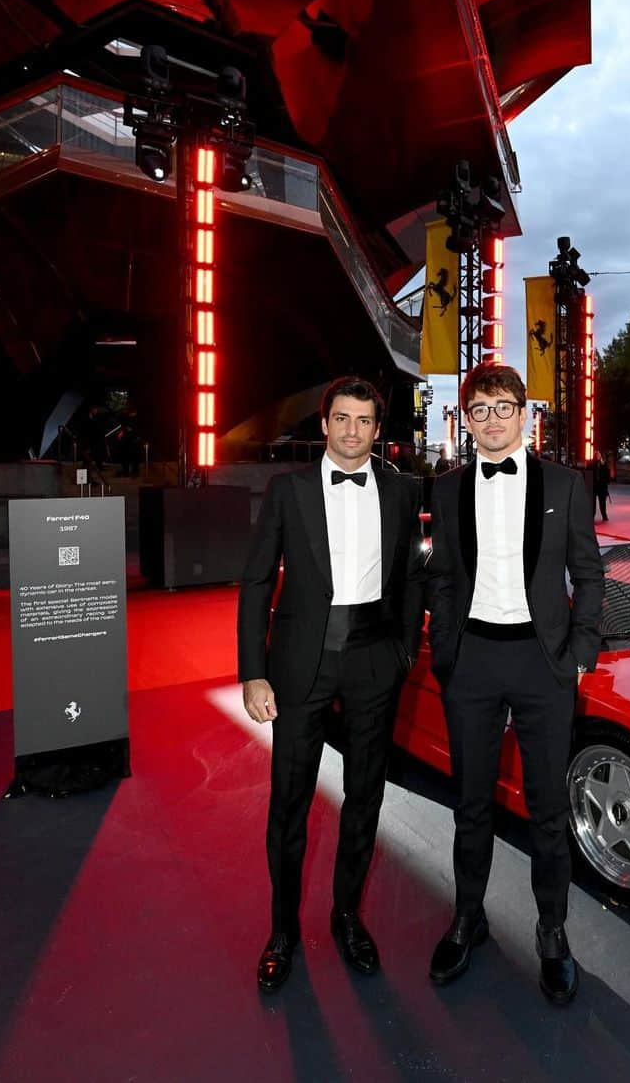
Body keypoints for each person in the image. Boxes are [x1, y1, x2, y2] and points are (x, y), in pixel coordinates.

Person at [237, 375, 425, 994]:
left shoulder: (401, 491)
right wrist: (253, 671)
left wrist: (402, 649)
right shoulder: (287, 490)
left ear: (377, 429)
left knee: (365, 798)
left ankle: (347, 917)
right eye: (341, 419)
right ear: (324, 425)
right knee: (289, 802)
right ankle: (281, 931)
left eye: (363, 421)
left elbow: (410, 575)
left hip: (374, 657)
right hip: (300, 663)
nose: (351, 431)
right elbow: (258, 581)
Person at [426, 363, 604, 1006]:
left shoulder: (565, 483)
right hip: (472, 659)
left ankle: (552, 933)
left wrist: (581, 649)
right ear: (466, 419)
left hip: (542, 662)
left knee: (549, 809)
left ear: (525, 415)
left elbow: (589, 572)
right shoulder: (445, 490)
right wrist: (446, 652)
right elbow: (441, 577)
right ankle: (467, 918)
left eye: (504, 407)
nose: (493, 419)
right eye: (480, 409)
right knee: (469, 803)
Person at [592, 450, 611, 522]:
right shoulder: (592, 463)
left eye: (599, 455)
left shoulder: (604, 464)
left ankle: (604, 515)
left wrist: (607, 483)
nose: (597, 456)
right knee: (593, 503)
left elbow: (607, 474)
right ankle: (592, 515)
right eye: (596, 455)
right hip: (594, 485)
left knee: (602, 502)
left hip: (602, 486)